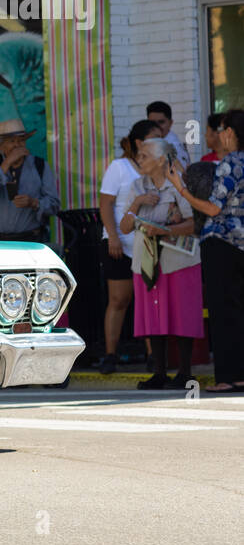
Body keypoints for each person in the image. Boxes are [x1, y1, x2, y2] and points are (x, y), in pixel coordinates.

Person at [168, 108, 244, 394]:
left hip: (222, 242)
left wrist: (182, 189)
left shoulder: (230, 163)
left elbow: (213, 208)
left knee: (223, 312)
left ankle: (227, 376)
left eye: (223, 129)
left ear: (230, 133)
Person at [117, 138, 201, 390]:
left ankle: (185, 372)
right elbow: (124, 226)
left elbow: (196, 223)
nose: (138, 159)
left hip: (179, 259)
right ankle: (160, 372)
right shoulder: (136, 186)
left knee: (182, 315)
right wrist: (137, 203)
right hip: (147, 260)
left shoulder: (180, 185)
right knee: (154, 316)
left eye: (143, 155)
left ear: (161, 159)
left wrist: (165, 229)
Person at [96, 119, 162, 374]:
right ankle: (111, 354)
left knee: (147, 300)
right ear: (138, 142)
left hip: (145, 242)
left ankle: (153, 356)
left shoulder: (157, 166)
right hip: (119, 241)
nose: (161, 139)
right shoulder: (119, 167)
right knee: (119, 299)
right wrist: (112, 236)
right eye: (154, 136)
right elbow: (105, 204)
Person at [0, 118, 59, 241]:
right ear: (2, 145)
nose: (17, 145)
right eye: (12, 141)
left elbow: (54, 205)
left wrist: (34, 203)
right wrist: (6, 164)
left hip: (31, 238)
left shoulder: (40, 165)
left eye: (21, 140)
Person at [145, 101, 189, 167]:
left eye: (161, 122)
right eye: (152, 123)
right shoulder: (151, 143)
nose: (157, 126)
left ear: (170, 123)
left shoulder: (175, 149)